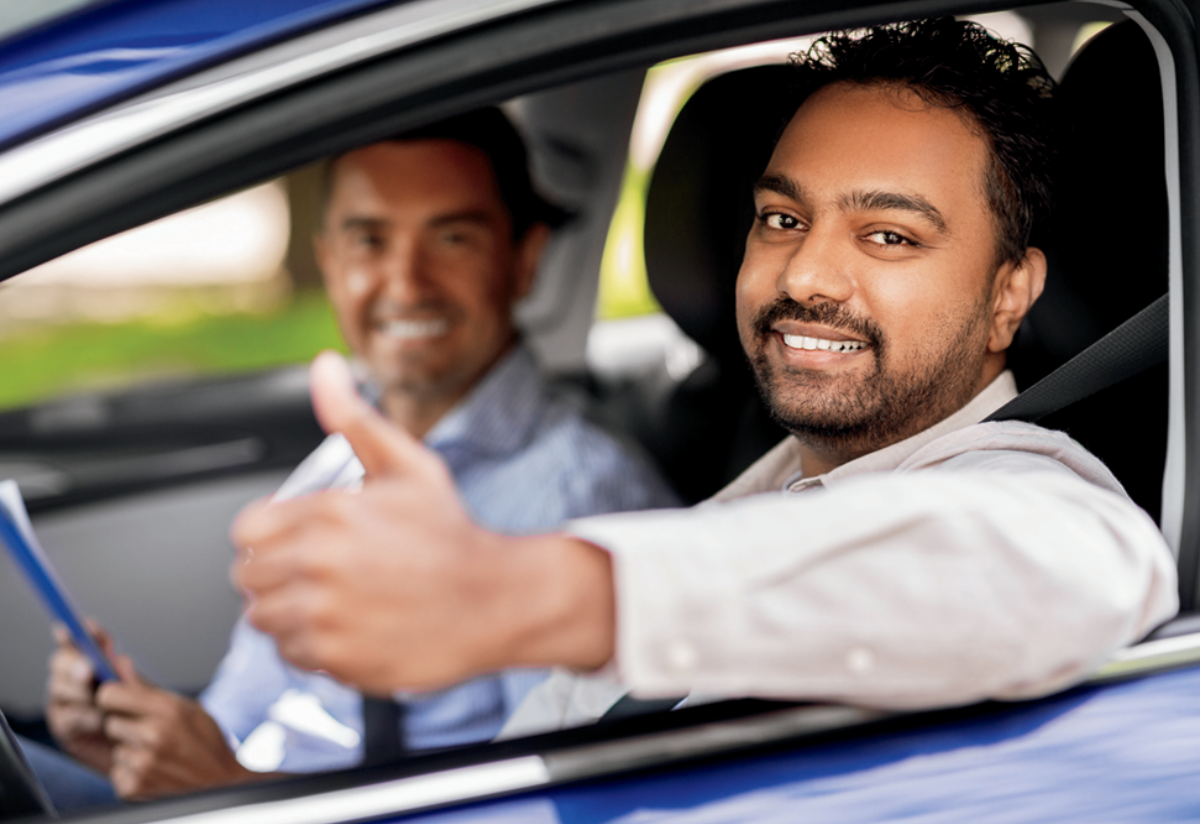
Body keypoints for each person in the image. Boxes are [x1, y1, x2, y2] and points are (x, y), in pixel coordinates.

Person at [230, 18, 1178, 734]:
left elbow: (1059, 565)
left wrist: (523, 593)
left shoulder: (1035, 498)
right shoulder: (740, 511)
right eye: (781, 219)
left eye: (889, 236)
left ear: (1010, 293)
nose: (805, 274)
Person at [43, 108, 680, 800]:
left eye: (452, 238)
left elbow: (553, 806)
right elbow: (240, 714)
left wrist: (235, 787)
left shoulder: (580, 499)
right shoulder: (340, 458)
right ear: (330, 260)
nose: (405, 284)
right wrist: (137, 746)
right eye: (370, 240)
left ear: (523, 261)